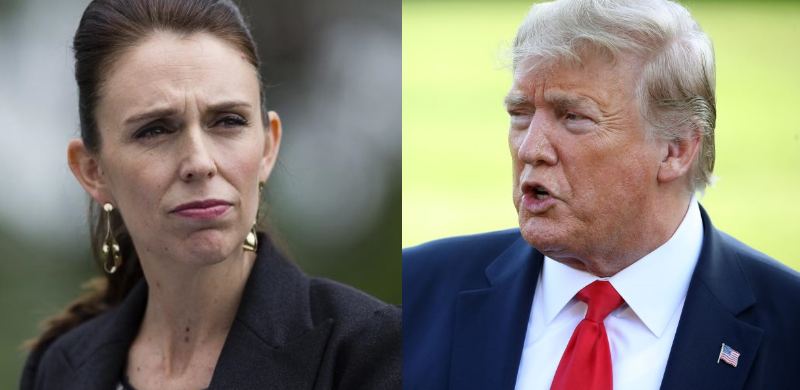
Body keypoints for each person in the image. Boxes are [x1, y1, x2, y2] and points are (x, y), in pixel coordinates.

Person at [403, 0, 800, 389]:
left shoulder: (788, 323)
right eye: (521, 113)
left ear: (676, 148)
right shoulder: (413, 293)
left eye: (573, 117)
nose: (530, 149)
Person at [20, 0, 401, 389]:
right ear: (93, 171)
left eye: (228, 121)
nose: (199, 162)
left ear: (268, 147)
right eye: (155, 130)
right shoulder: (58, 371)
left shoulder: (371, 353)